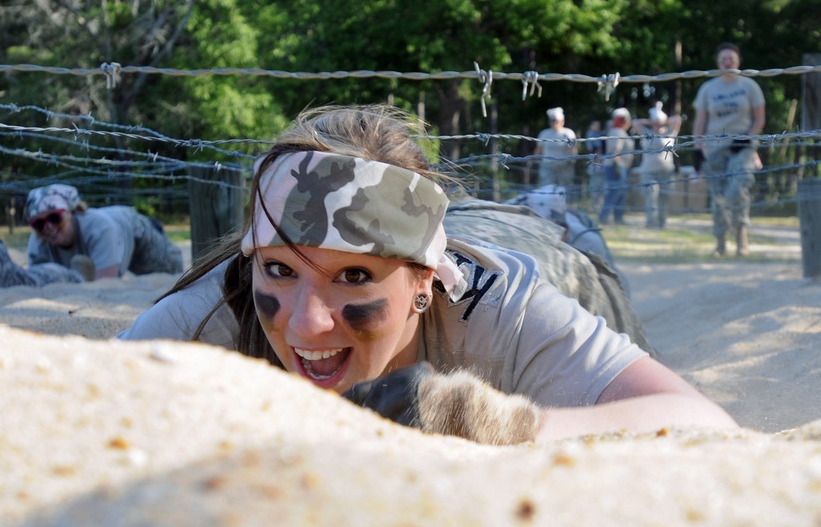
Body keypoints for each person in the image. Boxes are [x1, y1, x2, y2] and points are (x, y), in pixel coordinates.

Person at [118, 105, 738, 445]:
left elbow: (700, 422)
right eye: (279, 270)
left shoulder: (504, 311)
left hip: (557, 255)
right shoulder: (213, 313)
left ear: (423, 280)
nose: (306, 319)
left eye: (355, 277)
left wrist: (500, 423)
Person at [692, 42, 766, 257]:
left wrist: (748, 138)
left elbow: (759, 118)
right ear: (718, 62)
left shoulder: (749, 86)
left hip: (742, 147)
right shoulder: (708, 89)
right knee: (718, 195)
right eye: (723, 58)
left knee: (737, 189)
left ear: (738, 61)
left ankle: (742, 237)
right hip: (715, 147)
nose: (727, 62)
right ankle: (720, 242)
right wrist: (698, 148)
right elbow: (700, 121)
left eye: (731, 58)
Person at [26, 184, 183, 279]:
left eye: (55, 218)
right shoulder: (37, 243)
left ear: (71, 213)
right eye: (39, 223)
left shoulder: (100, 229)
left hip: (135, 230)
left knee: (173, 274)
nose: (48, 227)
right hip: (112, 224)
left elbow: (106, 283)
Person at [633, 102, 682, 229]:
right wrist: (650, 122)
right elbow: (636, 123)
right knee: (651, 196)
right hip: (649, 172)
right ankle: (650, 223)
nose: (657, 124)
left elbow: (678, 119)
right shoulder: (646, 133)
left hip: (666, 172)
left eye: (659, 121)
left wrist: (664, 121)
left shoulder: (670, 133)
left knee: (664, 197)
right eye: (655, 122)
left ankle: (662, 222)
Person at [599, 108, 634, 225]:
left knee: (619, 193)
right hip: (616, 167)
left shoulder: (616, 131)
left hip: (618, 166)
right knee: (614, 192)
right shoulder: (618, 132)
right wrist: (619, 168)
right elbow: (616, 152)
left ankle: (618, 217)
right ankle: (604, 217)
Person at [534, 107, 578, 192]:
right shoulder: (544, 133)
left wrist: (572, 159)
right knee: (546, 189)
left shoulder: (568, 133)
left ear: (562, 121)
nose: (555, 123)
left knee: (565, 190)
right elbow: (539, 150)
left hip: (564, 166)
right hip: (547, 166)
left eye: (557, 121)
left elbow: (573, 149)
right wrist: (533, 159)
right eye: (552, 120)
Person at [584, 119, 606, 215]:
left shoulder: (601, 135)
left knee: (602, 189)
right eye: (595, 125)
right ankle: (594, 207)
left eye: (598, 125)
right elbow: (591, 149)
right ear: (590, 126)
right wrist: (597, 151)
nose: (597, 127)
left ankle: (600, 208)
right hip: (594, 166)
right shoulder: (590, 135)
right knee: (594, 188)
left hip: (602, 165)